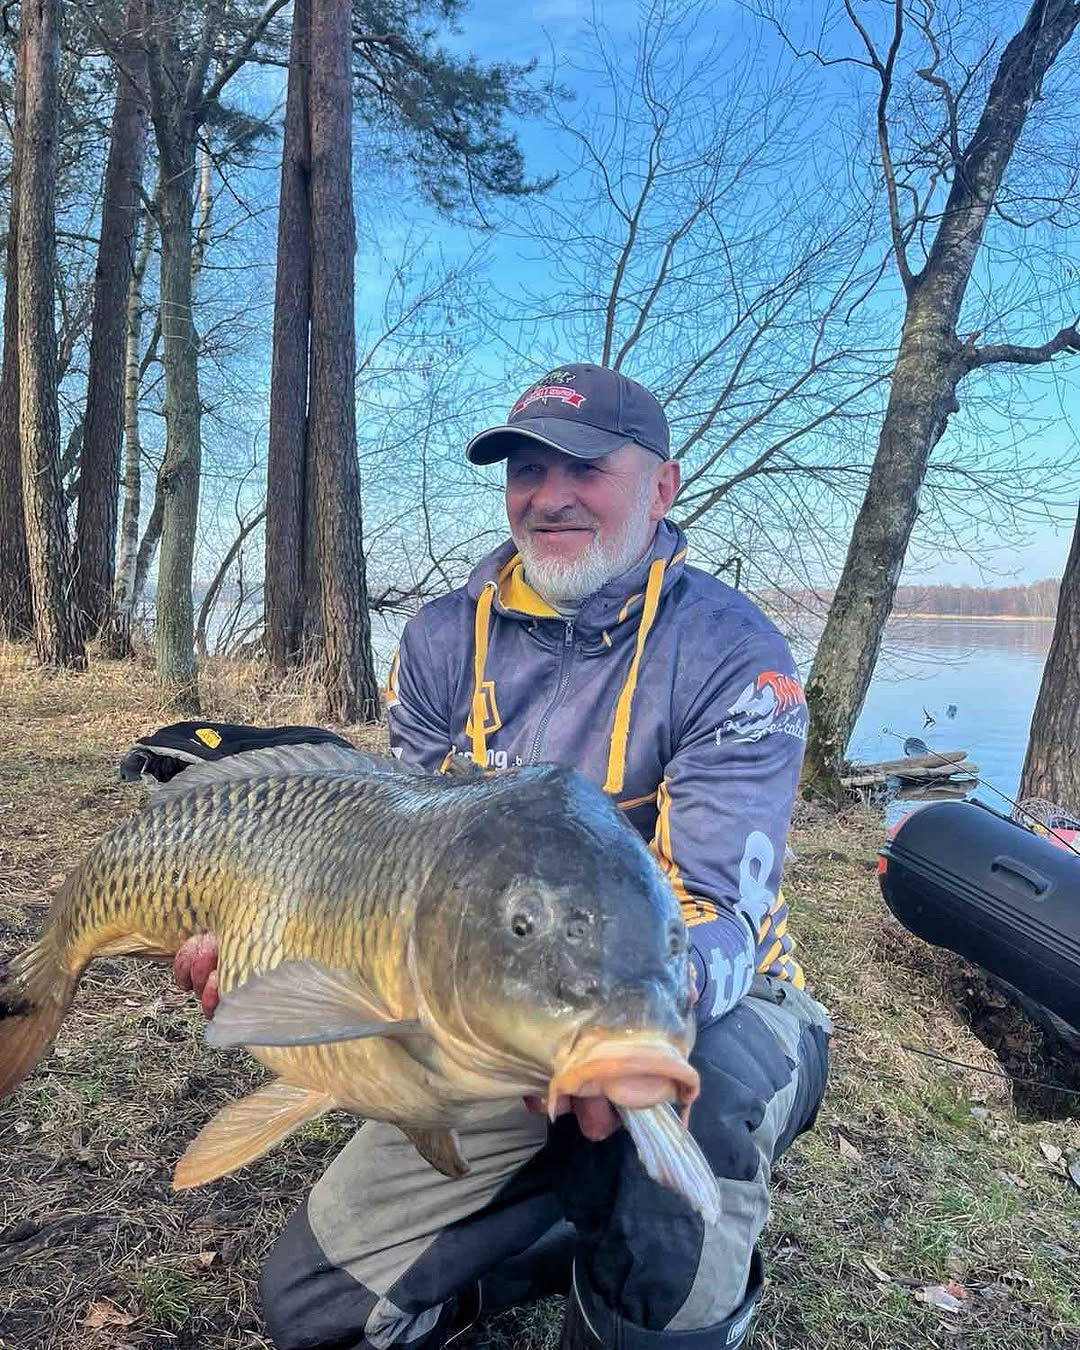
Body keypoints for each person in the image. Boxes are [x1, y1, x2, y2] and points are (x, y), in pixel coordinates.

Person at [174, 363, 831, 1350]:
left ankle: (645, 1282)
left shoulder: (736, 657)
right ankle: (559, 1225)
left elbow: (719, 909)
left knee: (684, 1193)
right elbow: (382, 855)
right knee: (314, 1310)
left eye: (587, 467)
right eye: (527, 467)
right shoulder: (441, 638)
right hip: (489, 998)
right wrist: (276, 962)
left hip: (697, 1001)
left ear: (662, 486)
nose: (550, 494)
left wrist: (619, 1026)